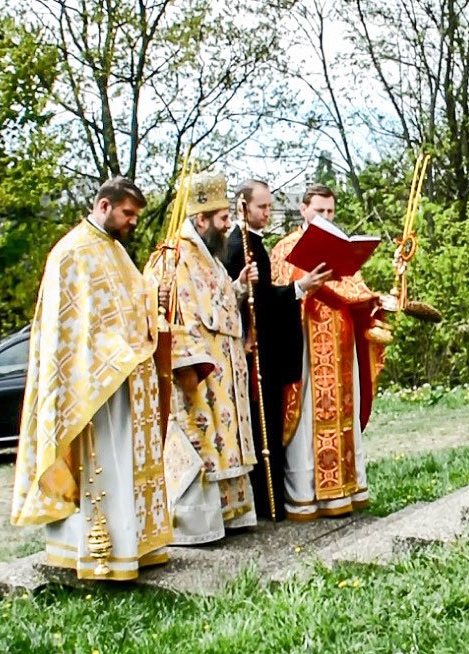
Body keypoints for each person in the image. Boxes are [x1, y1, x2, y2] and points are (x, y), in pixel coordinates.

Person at [10, 177, 172, 580]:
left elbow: (129, 305)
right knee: (100, 469)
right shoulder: (72, 252)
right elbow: (68, 330)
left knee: (123, 467)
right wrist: (109, 358)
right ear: (104, 206)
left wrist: (153, 300)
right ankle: (96, 554)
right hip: (90, 385)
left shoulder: (115, 251)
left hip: (121, 377)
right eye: (128, 213)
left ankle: (130, 547)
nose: (133, 222)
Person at [145, 170, 259, 544]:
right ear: (201, 219)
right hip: (198, 371)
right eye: (223, 218)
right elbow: (170, 316)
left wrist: (238, 286)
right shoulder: (173, 257)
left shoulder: (210, 257)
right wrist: (188, 367)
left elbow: (218, 303)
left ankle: (228, 515)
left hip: (226, 371)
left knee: (225, 444)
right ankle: (196, 524)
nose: (228, 225)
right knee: (201, 441)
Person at [269, 184, 388, 521]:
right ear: (303, 209)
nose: (325, 216)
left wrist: (373, 302)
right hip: (307, 343)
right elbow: (279, 297)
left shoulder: (340, 245)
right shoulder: (286, 247)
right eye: (319, 210)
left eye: (330, 211)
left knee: (343, 415)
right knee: (309, 416)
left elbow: (355, 289)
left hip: (341, 341)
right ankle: (305, 496)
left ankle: (345, 491)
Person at [224, 179, 329, 520]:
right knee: (262, 429)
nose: (268, 212)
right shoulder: (238, 245)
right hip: (256, 352)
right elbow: (260, 304)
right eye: (262, 207)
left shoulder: (253, 242)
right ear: (243, 206)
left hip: (265, 349)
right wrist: (300, 287)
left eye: (270, 206)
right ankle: (266, 505)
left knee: (267, 424)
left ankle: (271, 504)